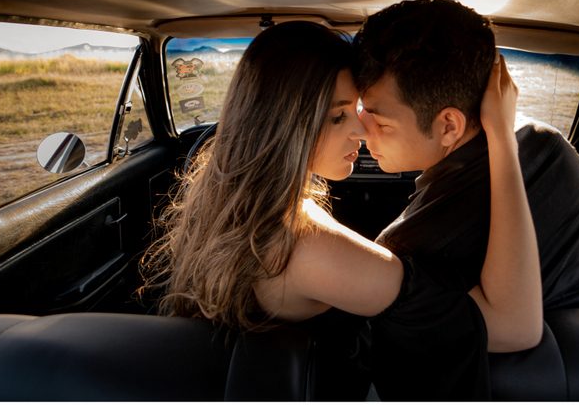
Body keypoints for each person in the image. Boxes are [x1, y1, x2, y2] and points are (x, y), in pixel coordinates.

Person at [142, 20, 541, 400]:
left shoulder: (225, 198)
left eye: (358, 109)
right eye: (337, 115)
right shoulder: (304, 247)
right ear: (285, 123)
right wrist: (502, 135)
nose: (363, 131)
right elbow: (514, 327)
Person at [354, 0, 579, 311]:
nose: (361, 130)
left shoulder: (403, 247)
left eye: (380, 120)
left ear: (449, 125)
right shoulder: (551, 147)